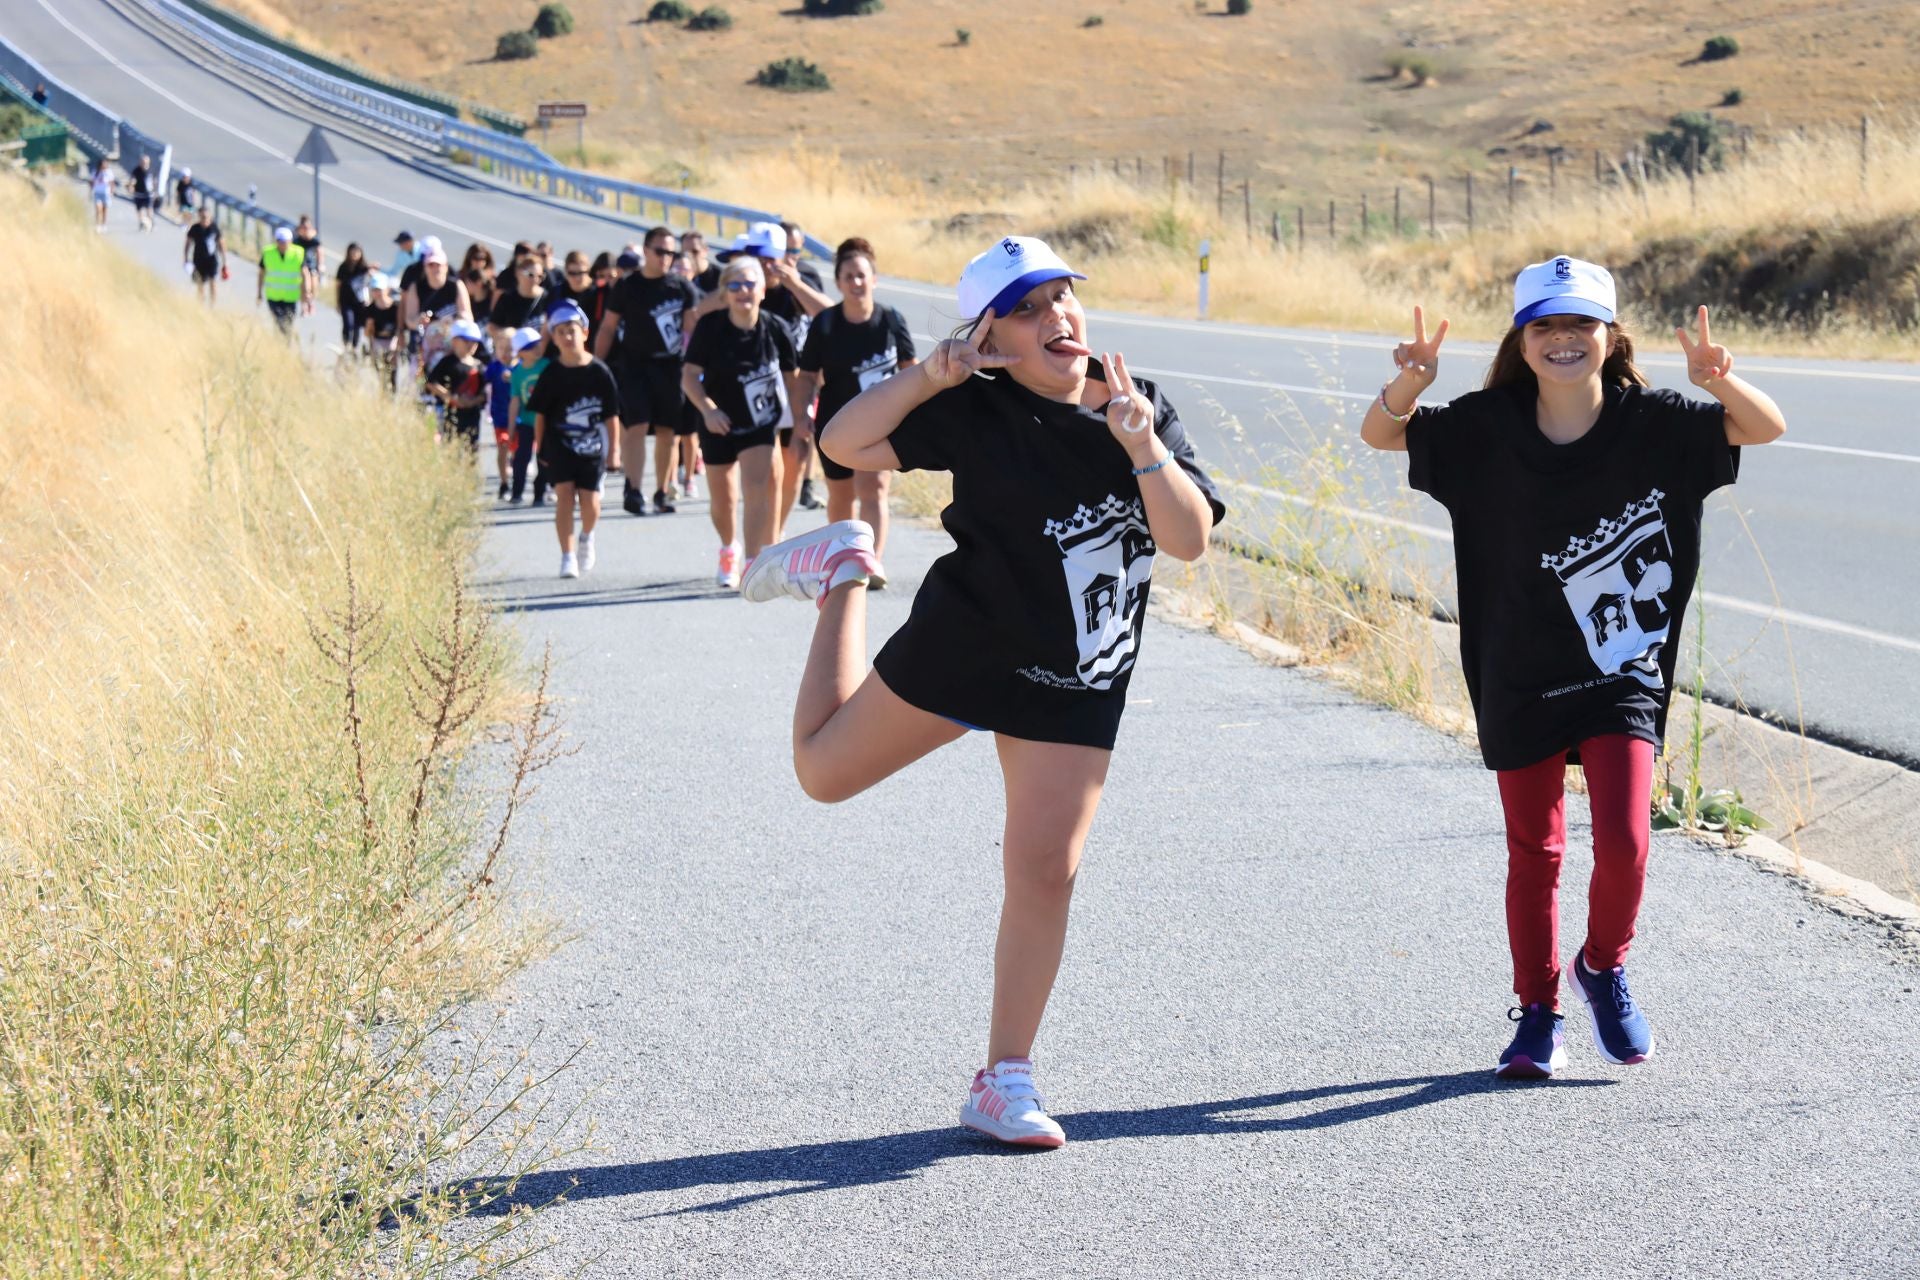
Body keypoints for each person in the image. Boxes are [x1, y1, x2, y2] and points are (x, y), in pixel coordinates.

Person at [738, 236, 1223, 1147]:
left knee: (1046, 868)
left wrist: (1142, 446)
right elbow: (843, 444)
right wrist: (933, 374)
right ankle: (842, 570)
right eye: (1028, 310)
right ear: (992, 332)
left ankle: (1003, 1080)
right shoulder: (976, 406)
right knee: (822, 775)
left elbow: (1189, 541)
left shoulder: (1138, 405)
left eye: (1063, 300)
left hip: (1078, 672)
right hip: (971, 643)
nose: (1058, 320)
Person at [1358, 257, 1788, 1079]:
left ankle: (1603, 964)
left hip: (1621, 667)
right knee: (1537, 850)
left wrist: (1719, 380)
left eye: (1580, 324)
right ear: (1522, 340)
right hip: (1517, 666)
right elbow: (1382, 435)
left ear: (1610, 336)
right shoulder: (1485, 427)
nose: (1563, 340)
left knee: (1626, 840)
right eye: (1544, 325)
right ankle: (1539, 1011)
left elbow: (1762, 428)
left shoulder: (1658, 422)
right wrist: (1409, 383)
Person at [680, 257, 806, 588]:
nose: (743, 291)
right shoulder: (711, 327)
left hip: (761, 423)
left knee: (755, 488)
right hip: (718, 421)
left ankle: (753, 563)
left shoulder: (775, 328)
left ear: (762, 290)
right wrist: (708, 410)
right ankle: (728, 548)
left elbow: (795, 380)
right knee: (722, 498)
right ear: (724, 294)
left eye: (750, 284)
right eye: (734, 286)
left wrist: (798, 422)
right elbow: (689, 377)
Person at [800, 238, 915, 580]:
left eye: (862, 275)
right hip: (835, 422)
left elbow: (911, 368)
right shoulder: (825, 325)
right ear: (838, 283)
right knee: (841, 494)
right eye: (848, 276)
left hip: (882, 423)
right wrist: (802, 411)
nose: (856, 282)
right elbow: (807, 376)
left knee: (874, 490)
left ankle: (870, 563)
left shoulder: (891, 321)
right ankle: (841, 558)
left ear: (874, 279)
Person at [597, 225, 699, 518]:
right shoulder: (628, 286)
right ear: (645, 251)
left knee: (668, 431)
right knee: (638, 426)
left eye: (671, 252)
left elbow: (694, 327)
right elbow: (608, 326)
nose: (665, 257)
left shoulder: (681, 287)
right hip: (634, 365)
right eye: (659, 251)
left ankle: (661, 491)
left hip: (670, 367)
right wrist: (595, 365)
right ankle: (633, 488)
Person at [528, 300, 622, 579]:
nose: (568, 337)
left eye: (572, 330)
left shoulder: (599, 372)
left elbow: (611, 415)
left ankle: (587, 536)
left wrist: (614, 450)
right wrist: (540, 448)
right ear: (553, 339)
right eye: (560, 332)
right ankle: (567, 555)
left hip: (592, 446)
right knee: (564, 497)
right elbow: (541, 416)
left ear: (584, 332)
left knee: (591, 502)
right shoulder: (551, 374)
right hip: (559, 445)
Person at [768, 221, 833, 525]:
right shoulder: (761, 279)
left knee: (799, 444)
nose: (791, 257)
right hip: (770, 379)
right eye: (785, 250)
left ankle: (777, 527)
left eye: (796, 250)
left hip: (804, 375)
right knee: (771, 458)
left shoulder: (805, 276)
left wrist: (795, 284)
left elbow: (828, 313)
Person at [403, 246, 472, 387]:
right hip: (426, 346)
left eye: (438, 265)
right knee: (419, 382)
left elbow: (467, 316)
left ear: (445, 267)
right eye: (430, 265)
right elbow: (409, 319)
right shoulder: (417, 287)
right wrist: (419, 320)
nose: (435, 269)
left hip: (452, 345)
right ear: (425, 267)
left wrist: (453, 321)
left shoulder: (456, 286)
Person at [425, 319, 489, 450]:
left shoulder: (479, 365)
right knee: (450, 445)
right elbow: (431, 382)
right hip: (451, 412)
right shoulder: (448, 362)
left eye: (475, 342)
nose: (471, 345)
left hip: (472, 414)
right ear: (454, 341)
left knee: (471, 447)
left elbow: (485, 391)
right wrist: (451, 397)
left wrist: (473, 401)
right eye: (466, 340)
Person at [506, 326, 550, 506]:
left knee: (544, 459)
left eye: (538, 344)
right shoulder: (517, 373)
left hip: (546, 421)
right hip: (526, 422)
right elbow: (515, 401)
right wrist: (510, 428)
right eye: (532, 346)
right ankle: (517, 492)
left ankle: (539, 494)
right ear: (522, 352)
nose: (537, 348)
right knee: (521, 458)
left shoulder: (546, 365)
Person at [488, 253, 550, 354]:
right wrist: (508, 337)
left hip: (539, 355)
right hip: (515, 355)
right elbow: (492, 327)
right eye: (530, 275)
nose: (535, 280)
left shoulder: (547, 298)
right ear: (518, 273)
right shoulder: (507, 298)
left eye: (540, 276)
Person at [257, 226, 309, 337]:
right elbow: (261, 273)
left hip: (291, 296)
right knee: (279, 322)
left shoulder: (298, 253)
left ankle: (285, 344)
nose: (283, 245)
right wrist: (259, 293)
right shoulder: (268, 252)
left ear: (290, 241)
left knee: (288, 324)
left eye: (285, 242)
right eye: (280, 242)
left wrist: (306, 293)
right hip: (273, 296)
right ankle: (280, 343)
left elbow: (305, 274)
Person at [485, 338, 516, 500]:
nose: (505, 353)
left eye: (510, 349)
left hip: (519, 418)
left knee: (518, 451)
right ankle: (504, 483)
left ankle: (518, 482)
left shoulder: (521, 367)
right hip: (500, 417)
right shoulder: (493, 368)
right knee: (503, 447)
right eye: (501, 348)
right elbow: (483, 382)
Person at [363, 273, 402, 392]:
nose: (377, 293)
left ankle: (392, 393)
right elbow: (367, 333)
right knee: (380, 373)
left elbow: (400, 327)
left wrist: (397, 342)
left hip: (392, 341)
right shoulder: (370, 309)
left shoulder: (395, 307)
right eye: (374, 290)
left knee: (392, 371)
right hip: (377, 341)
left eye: (379, 289)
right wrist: (369, 327)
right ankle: (383, 394)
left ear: (387, 289)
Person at [183, 205, 224, 306]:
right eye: (202, 217)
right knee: (200, 283)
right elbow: (188, 243)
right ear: (199, 217)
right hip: (198, 259)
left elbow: (221, 243)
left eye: (205, 216)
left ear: (209, 216)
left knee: (212, 281)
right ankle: (201, 303)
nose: (204, 219)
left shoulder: (214, 228)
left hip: (212, 259)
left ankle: (212, 304)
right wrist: (186, 258)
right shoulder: (195, 228)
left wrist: (224, 261)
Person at [335, 243, 371, 351]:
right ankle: (346, 345)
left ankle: (354, 348)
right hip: (346, 301)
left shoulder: (364, 268)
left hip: (360, 302)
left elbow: (368, 285)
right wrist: (337, 302)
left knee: (357, 326)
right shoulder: (343, 267)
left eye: (357, 252)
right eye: (352, 252)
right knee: (348, 323)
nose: (355, 254)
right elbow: (338, 285)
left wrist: (368, 299)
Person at [460, 242, 499, 331]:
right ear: (469, 259)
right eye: (475, 258)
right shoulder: (461, 279)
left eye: (482, 258)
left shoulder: (493, 283)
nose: (479, 262)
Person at [291, 215, 323, 312]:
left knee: (313, 285)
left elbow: (320, 252)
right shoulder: (297, 241)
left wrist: (320, 264)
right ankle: (303, 305)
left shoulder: (314, 241)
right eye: (304, 228)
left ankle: (311, 301)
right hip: (301, 265)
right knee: (304, 286)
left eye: (308, 228)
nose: (306, 230)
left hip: (312, 264)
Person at [682, 229, 721, 294]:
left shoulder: (720, 277)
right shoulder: (677, 275)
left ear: (705, 251)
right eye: (685, 253)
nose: (689, 256)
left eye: (694, 252)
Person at [128, 155, 155, 232]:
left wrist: (155, 191)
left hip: (148, 194)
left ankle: (151, 222)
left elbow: (153, 182)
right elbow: (133, 179)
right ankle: (142, 222)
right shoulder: (136, 170)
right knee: (139, 209)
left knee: (149, 209)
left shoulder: (151, 170)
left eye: (145, 162)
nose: (144, 163)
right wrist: (131, 186)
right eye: (142, 162)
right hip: (138, 193)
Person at [90, 161, 112, 232]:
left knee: (104, 210)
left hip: (106, 193)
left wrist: (112, 191)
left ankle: (104, 224)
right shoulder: (96, 172)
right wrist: (90, 191)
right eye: (102, 165)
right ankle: (97, 225)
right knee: (98, 209)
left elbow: (112, 182)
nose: (103, 166)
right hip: (97, 192)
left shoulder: (108, 172)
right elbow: (92, 182)